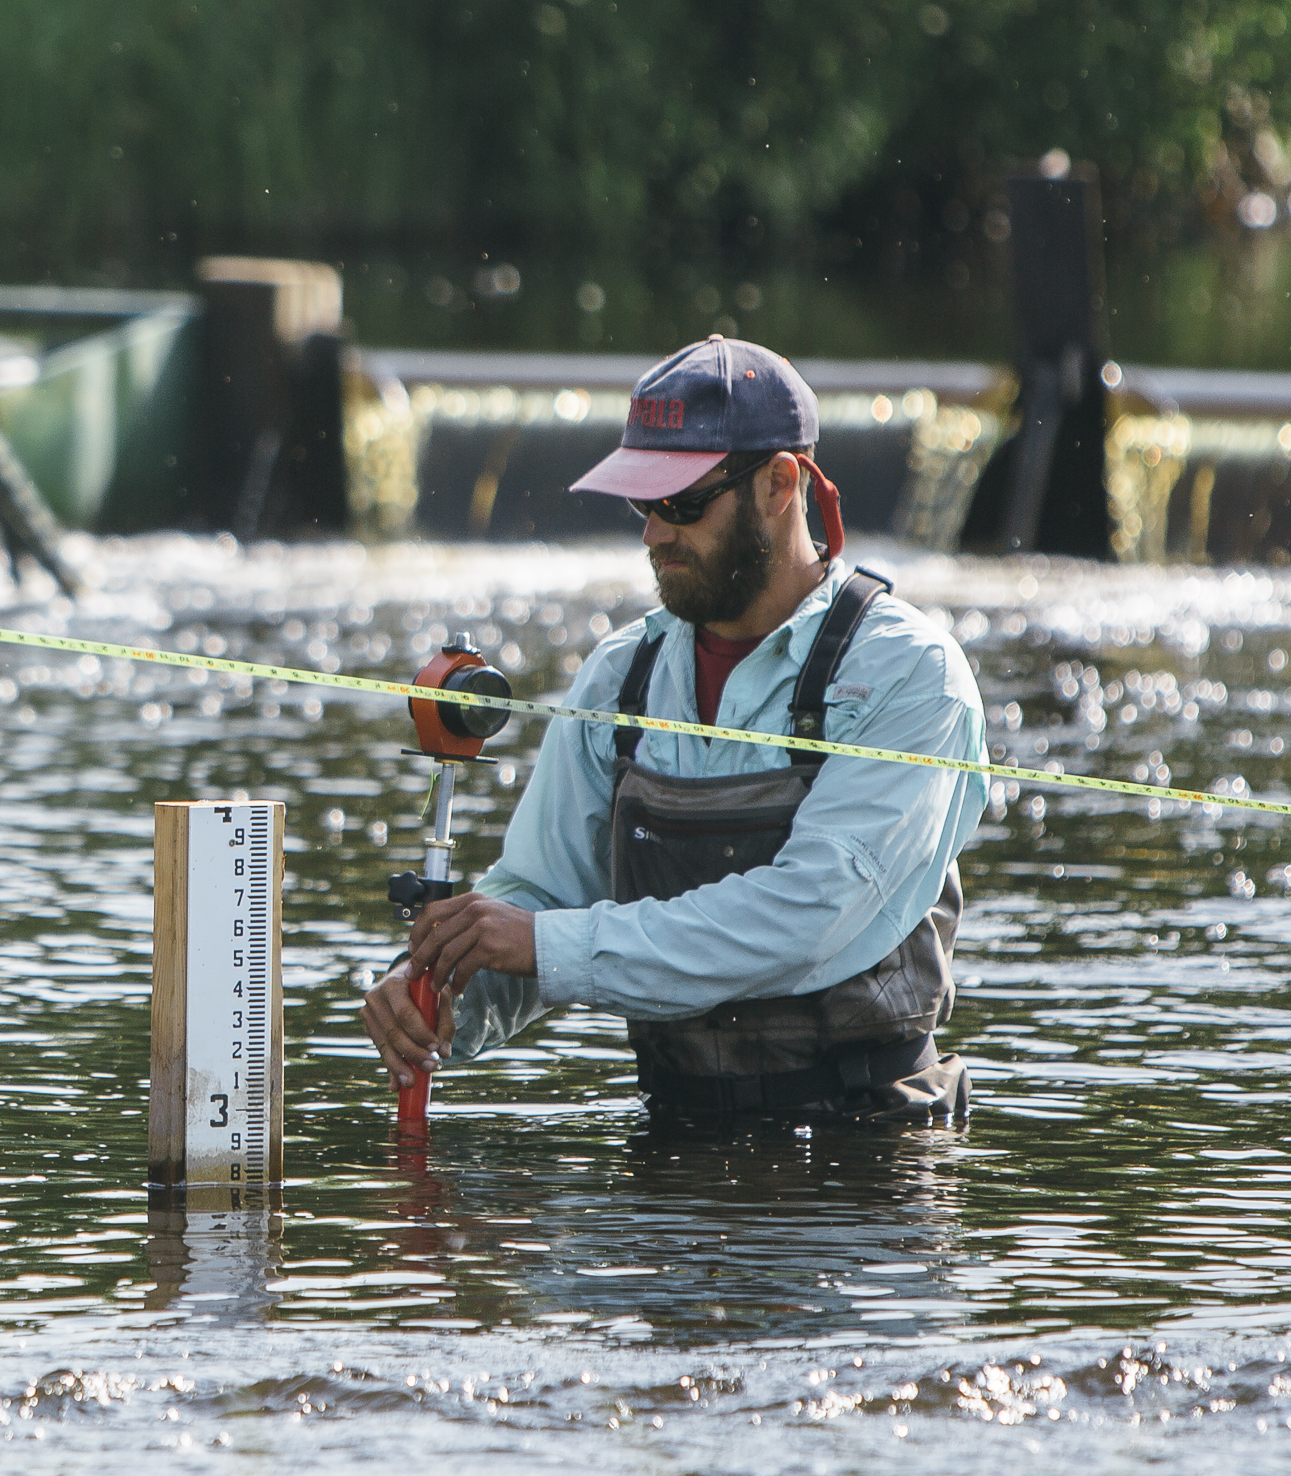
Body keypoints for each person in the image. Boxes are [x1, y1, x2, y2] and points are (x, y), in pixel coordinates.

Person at [362, 335, 986, 1126]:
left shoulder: (910, 674)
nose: (655, 534)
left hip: (868, 1168)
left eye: (683, 504)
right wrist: (439, 990)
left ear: (779, 484)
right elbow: (540, 895)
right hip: (673, 1143)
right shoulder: (619, 675)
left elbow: (809, 917)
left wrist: (549, 946)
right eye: (642, 505)